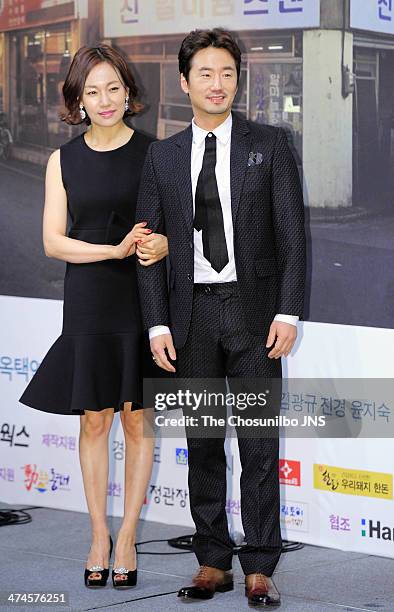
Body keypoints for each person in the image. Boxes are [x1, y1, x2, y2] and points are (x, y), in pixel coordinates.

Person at [136, 29, 306, 607]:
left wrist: (288, 310)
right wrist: (157, 324)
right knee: (203, 442)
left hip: (255, 316)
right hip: (192, 318)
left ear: (239, 79)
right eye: (205, 74)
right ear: (184, 82)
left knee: (259, 443)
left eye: (227, 73)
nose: (217, 84)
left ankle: (260, 564)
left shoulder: (271, 144)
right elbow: (146, 247)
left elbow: (293, 238)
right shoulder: (161, 156)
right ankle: (212, 560)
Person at [20, 44, 168, 590]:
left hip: (143, 297)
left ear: (128, 91)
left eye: (113, 88)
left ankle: (128, 533)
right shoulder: (64, 160)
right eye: (92, 91)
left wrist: (161, 246)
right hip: (88, 295)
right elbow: (53, 242)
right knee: (95, 419)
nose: (104, 100)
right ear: (77, 100)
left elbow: (180, 228)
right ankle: (98, 534)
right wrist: (111, 250)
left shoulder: (157, 154)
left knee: (137, 418)